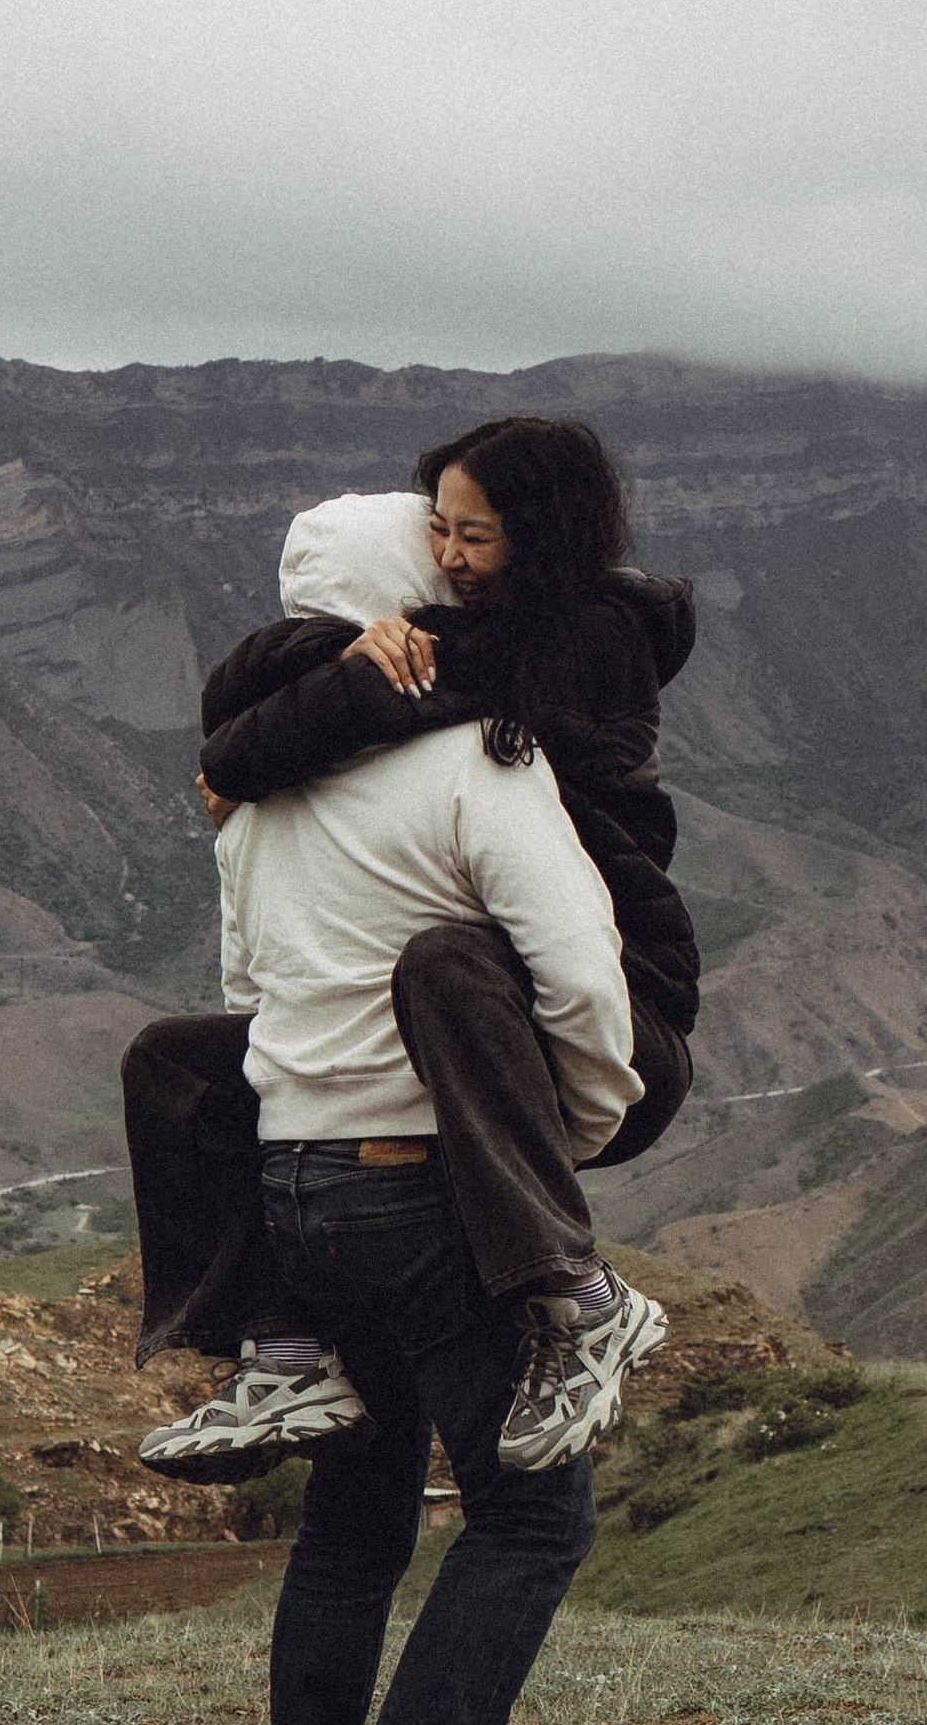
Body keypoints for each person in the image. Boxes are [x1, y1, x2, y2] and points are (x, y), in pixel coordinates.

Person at [126, 419, 696, 1476]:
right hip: (487, 1031)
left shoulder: (576, 643)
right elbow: (252, 726)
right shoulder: (445, 652)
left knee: (441, 960)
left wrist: (336, 660)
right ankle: (282, 1354)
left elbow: (237, 743)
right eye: (435, 530)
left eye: (473, 536)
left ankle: (582, 1296)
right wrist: (334, 656)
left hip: (618, 1016)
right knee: (179, 1060)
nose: (447, 558)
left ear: (543, 537)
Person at [220, 590, 641, 1725]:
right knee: (533, 1509)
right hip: (418, 1185)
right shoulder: (476, 761)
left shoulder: (256, 796)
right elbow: (577, 972)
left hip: (291, 1190)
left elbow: (245, 985)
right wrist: (558, 1134)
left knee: (357, 1519)